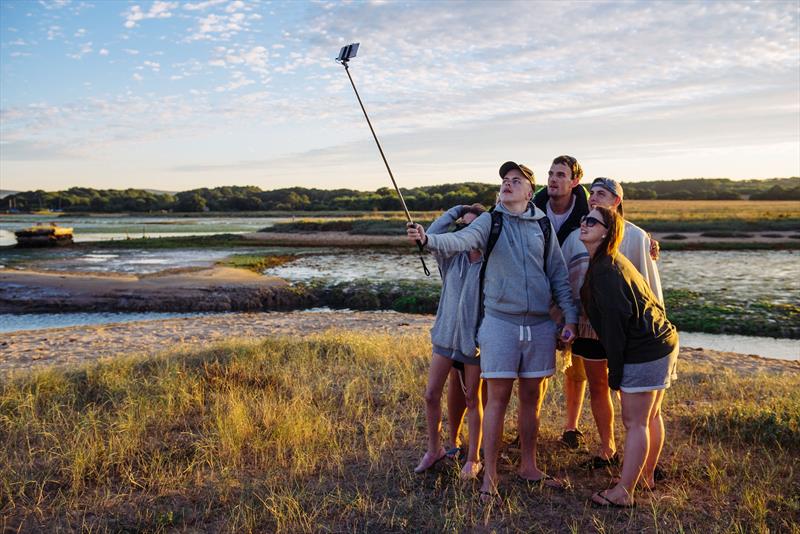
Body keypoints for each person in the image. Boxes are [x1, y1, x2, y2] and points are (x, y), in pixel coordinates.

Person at [407, 161, 578, 501]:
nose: (508, 185)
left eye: (516, 181)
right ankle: (491, 476)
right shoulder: (489, 221)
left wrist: (569, 319)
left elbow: (558, 274)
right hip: (500, 322)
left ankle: (528, 467)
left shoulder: (542, 224)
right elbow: (460, 239)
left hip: (540, 326)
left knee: (532, 401)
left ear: (530, 193)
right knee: (496, 400)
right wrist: (428, 239)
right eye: (504, 181)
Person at [578, 205, 679, 508]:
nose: (584, 223)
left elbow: (615, 328)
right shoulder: (606, 262)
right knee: (648, 416)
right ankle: (644, 477)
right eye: (584, 219)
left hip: (646, 349)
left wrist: (616, 373)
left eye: (592, 222)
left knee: (635, 421)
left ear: (607, 232)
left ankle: (624, 491)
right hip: (661, 342)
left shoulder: (607, 270)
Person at [560, 177, 664, 468]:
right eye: (591, 193)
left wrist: (655, 326)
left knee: (631, 391)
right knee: (598, 385)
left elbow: (649, 285)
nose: (593, 198)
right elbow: (566, 279)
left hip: (630, 327)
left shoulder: (637, 237)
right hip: (588, 325)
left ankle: (642, 457)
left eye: (602, 193)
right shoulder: (577, 235)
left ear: (617, 200)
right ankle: (608, 448)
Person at [414, 203, 486, 480]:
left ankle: (474, 458)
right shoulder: (451, 257)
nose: (464, 231)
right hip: (445, 337)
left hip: (472, 343)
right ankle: (435, 450)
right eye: (461, 226)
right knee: (431, 394)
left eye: (472, 227)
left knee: (472, 398)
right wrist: (457, 210)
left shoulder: (488, 262)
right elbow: (433, 234)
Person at [532, 155, 591, 450]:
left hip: (575, 291)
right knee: (538, 365)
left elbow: (616, 225)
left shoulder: (588, 209)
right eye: (551, 173)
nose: (553, 179)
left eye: (561, 174)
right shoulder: (533, 205)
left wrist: (648, 243)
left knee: (575, 365)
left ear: (574, 181)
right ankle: (531, 424)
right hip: (539, 292)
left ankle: (571, 427)